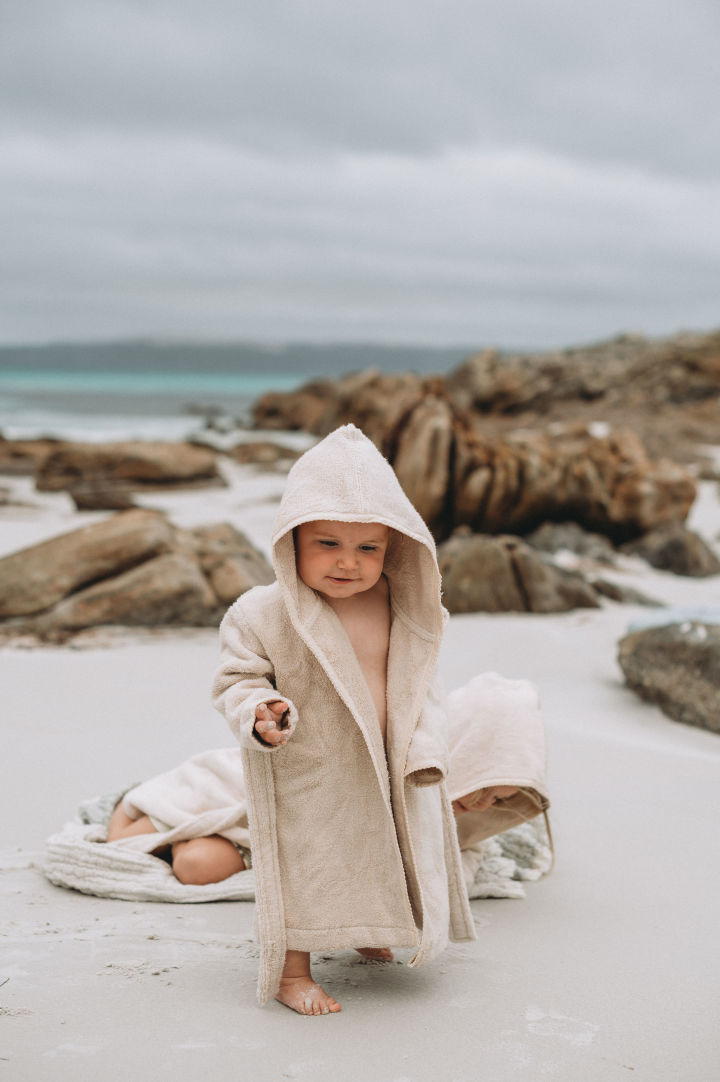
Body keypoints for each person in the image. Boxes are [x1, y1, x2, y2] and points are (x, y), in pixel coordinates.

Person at [212, 424, 476, 1015]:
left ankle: (369, 923)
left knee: (381, 843)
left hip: (389, 753)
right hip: (309, 764)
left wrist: (425, 742)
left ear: (394, 548)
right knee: (307, 864)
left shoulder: (403, 604)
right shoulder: (261, 612)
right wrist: (260, 711)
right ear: (292, 539)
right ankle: (290, 970)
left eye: (368, 549)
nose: (348, 563)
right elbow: (235, 680)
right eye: (327, 544)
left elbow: (419, 681)